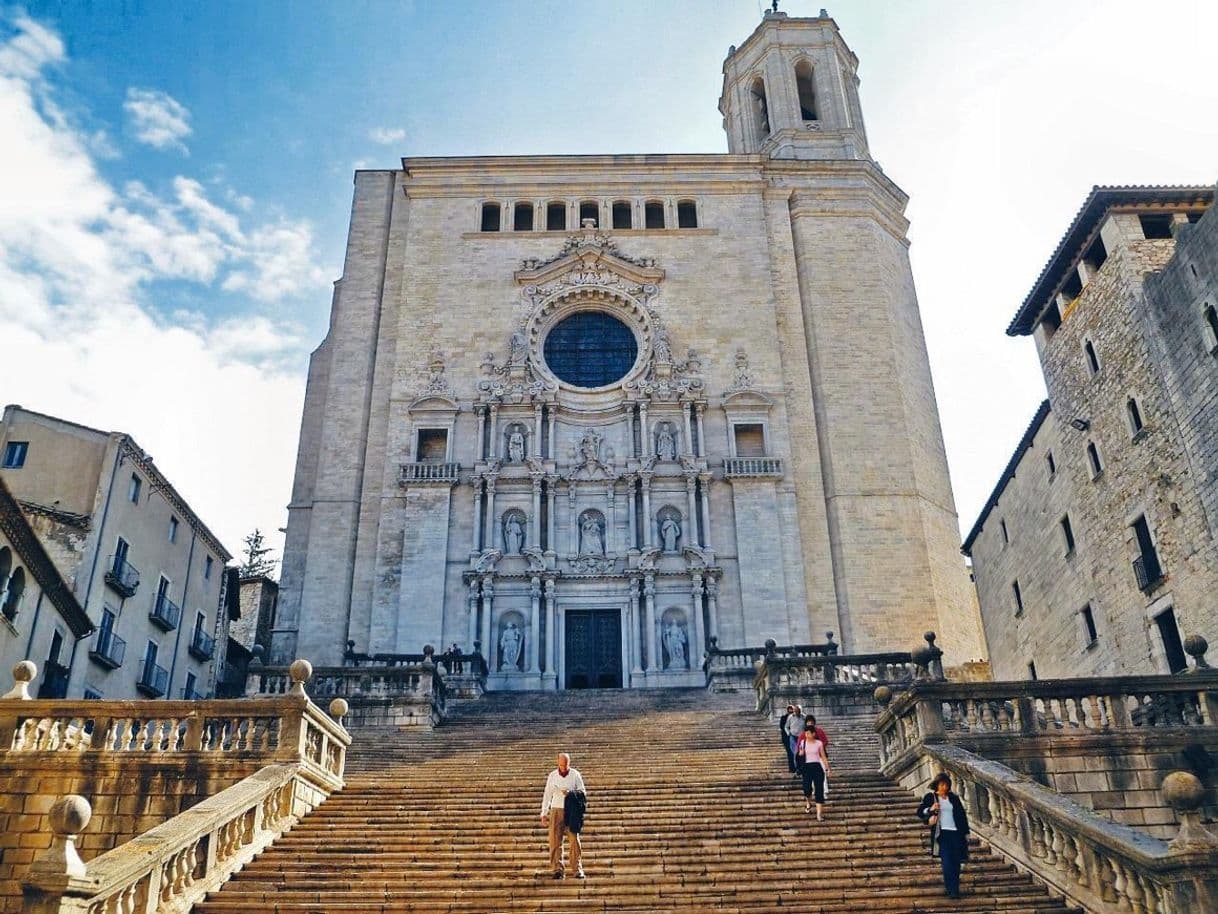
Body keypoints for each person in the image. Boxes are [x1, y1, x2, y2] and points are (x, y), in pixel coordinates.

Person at [917, 772, 971, 899]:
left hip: (956, 833)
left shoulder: (953, 798)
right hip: (942, 834)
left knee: (956, 863)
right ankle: (950, 889)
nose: (944, 787)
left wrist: (965, 833)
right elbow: (920, 812)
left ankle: (955, 889)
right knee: (947, 862)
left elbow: (961, 816)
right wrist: (930, 809)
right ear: (937, 785)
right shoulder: (930, 797)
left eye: (946, 784)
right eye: (942, 784)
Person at [541, 752, 586, 879]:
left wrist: (570, 793)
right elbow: (547, 794)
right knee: (555, 841)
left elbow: (583, 792)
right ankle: (557, 869)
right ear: (558, 763)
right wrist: (544, 813)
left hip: (571, 811)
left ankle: (577, 869)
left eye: (565, 765)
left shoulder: (575, 775)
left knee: (574, 841)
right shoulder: (552, 776)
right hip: (556, 809)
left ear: (569, 763)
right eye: (561, 765)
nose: (563, 768)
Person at [795, 719, 830, 819]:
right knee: (807, 789)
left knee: (819, 790)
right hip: (806, 767)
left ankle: (819, 814)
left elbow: (823, 756)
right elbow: (800, 754)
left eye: (808, 733)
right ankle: (808, 803)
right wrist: (800, 753)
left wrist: (828, 769)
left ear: (813, 734)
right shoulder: (803, 742)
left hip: (817, 767)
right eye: (805, 733)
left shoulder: (819, 743)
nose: (806, 735)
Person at [784, 703, 804, 777]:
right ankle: (797, 768)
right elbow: (786, 727)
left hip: (801, 737)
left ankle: (801, 768)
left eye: (798, 711)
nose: (797, 712)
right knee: (795, 753)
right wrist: (788, 733)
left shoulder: (804, 717)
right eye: (795, 711)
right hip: (793, 737)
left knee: (801, 753)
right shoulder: (790, 717)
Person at [778, 705, 797, 773]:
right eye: (789, 709)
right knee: (790, 753)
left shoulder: (797, 717)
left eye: (791, 709)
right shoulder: (784, 717)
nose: (790, 710)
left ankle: (797, 768)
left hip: (795, 737)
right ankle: (792, 768)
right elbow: (781, 727)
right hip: (787, 738)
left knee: (796, 753)